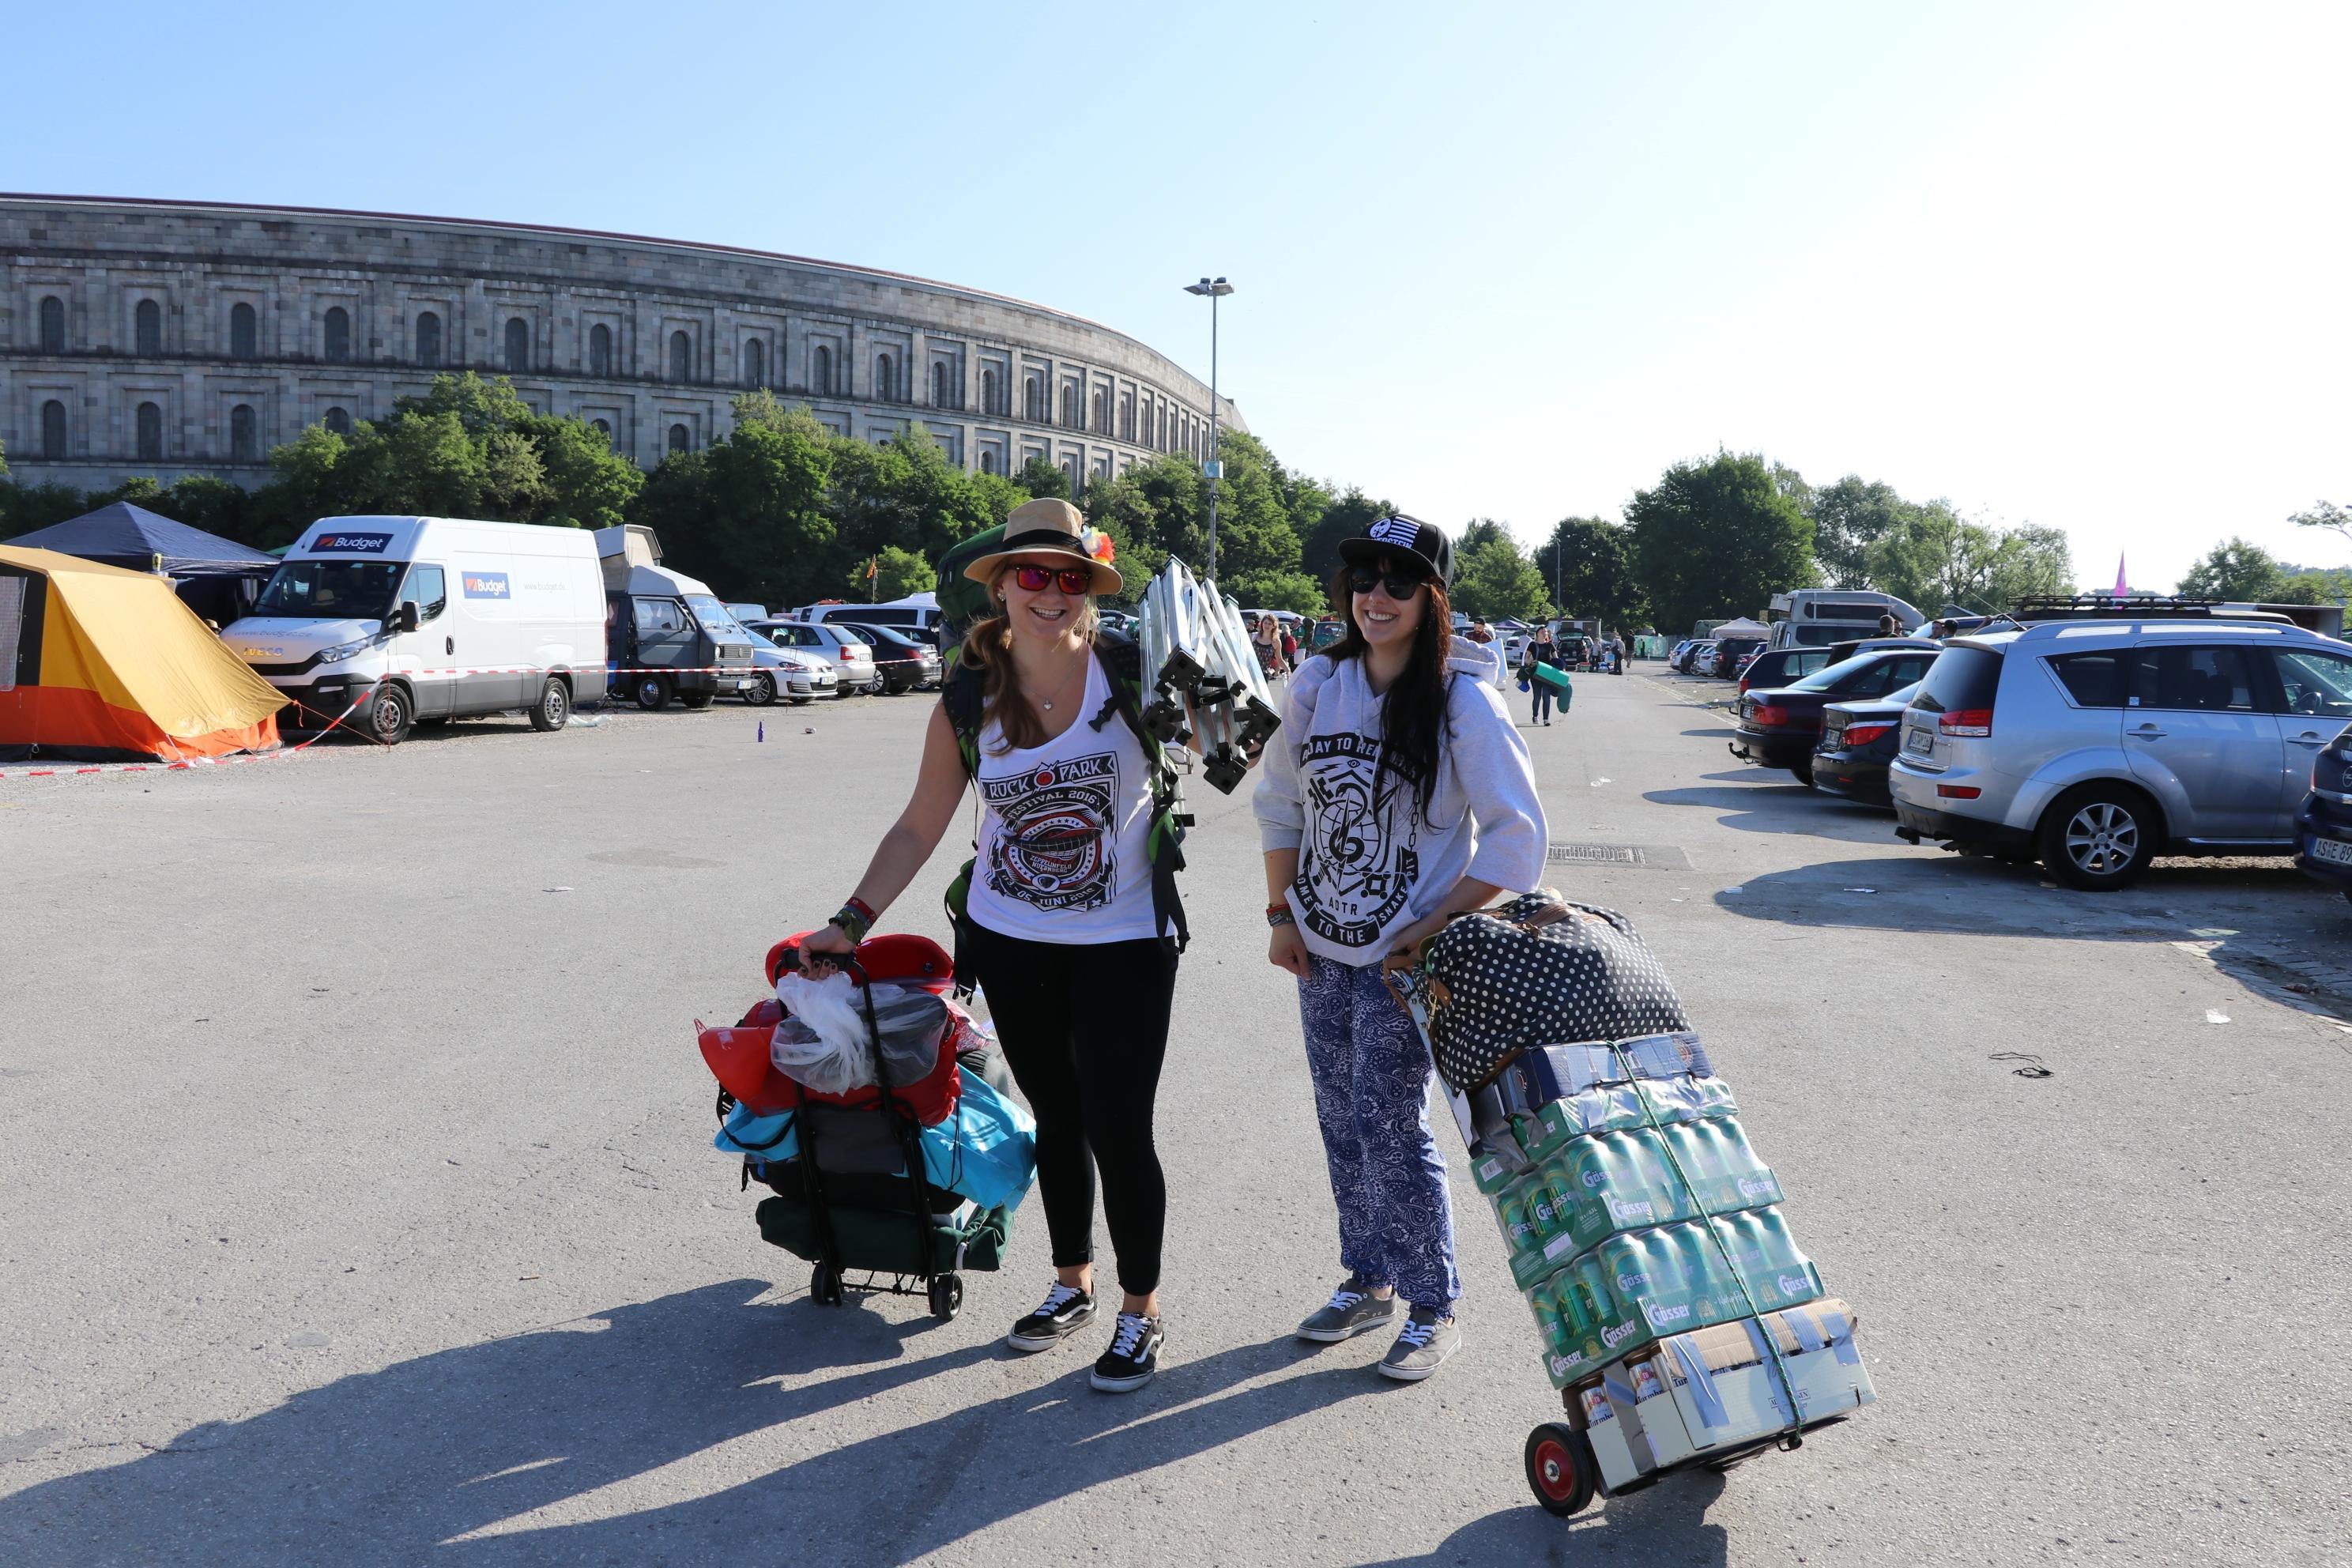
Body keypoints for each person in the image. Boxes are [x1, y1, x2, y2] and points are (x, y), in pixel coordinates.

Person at [801, 497, 1182, 1395]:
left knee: (1120, 1124)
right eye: (1033, 575)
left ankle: (1140, 1309)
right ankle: (1072, 1281)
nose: (1052, 592)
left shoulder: (1137, 670)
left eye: (1070, 577)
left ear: (1089, 588)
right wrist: (850, 921)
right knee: (1056, 1114)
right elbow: (919, 825)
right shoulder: (968, 696)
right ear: (1003, 587)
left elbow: (1246, 749)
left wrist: (1219, 700)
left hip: (1127, 937)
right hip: (1011, 939)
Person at [1254, 514, 1547, 1382]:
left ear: (1433, 598)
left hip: (1402, 963)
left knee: (1387, 1123)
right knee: (1340, 1117)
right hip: (1319, 947)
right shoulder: (1319, 683)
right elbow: (1280, 803)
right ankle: (1368, 1277)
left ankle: (1432, 1303)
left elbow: (1517, 838)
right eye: (1364, 579)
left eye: (1400, 581)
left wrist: (1429, 927)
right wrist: (1280, 913)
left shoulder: (1464, 701)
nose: (1377, 596)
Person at [1522, 623, 1565, 726]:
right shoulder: (1533, 645)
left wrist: (1561, 670)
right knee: (1537, 696)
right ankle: (1535, 716)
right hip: (1536, 673)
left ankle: (1546, 719)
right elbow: (1526, 658)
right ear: (1537, 633)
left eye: (1545, 631)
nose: (1544, 632)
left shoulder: (1550, 645)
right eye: (1542, 631)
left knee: (1546, 696)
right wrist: (1531, 662)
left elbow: (1556, 659)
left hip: (1548, 674)